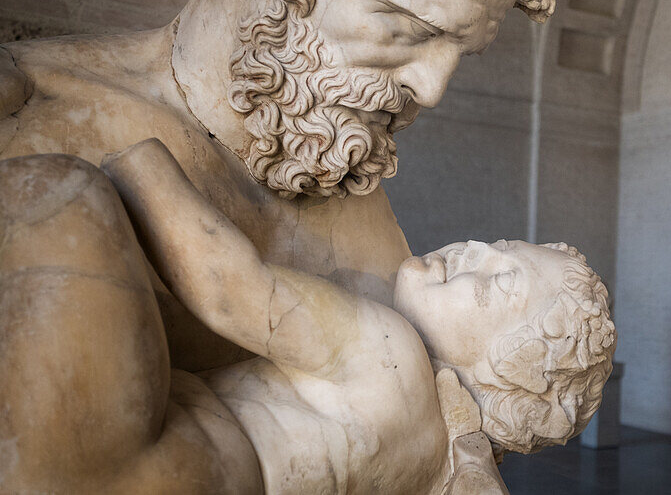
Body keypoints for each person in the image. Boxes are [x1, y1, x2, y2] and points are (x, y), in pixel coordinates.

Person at [0, 0, 563, 491]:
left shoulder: (372, 233)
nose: (432, 88)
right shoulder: (27, 110)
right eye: (408, 27)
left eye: (461, 52)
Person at [83, 138, 614, 494]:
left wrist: (135, 161)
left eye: (498, 282)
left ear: (498, 370)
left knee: (58, 193)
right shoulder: (434, 458)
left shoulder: (391, 351)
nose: (471, 249)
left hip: (147, 453)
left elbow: (230, 289)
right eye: (497, 243)